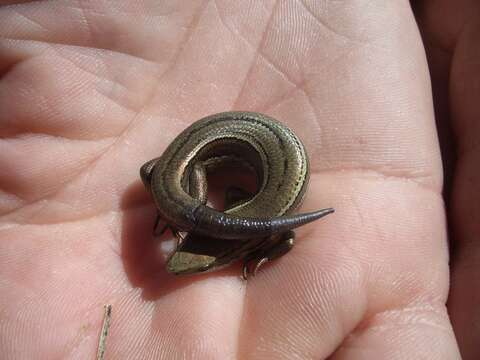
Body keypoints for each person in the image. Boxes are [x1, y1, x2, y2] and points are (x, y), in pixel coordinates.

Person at [0, 1, 477, 359]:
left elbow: (276, 231)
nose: (183, 266)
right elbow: (267, 222)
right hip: (231, 142)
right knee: (178, 180)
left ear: (228, 242)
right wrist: (235, 230)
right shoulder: (256, 220)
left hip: (249, 147)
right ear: (223, 235)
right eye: (198, 260)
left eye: (202, 263)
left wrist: (258, 248)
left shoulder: (260, 226)